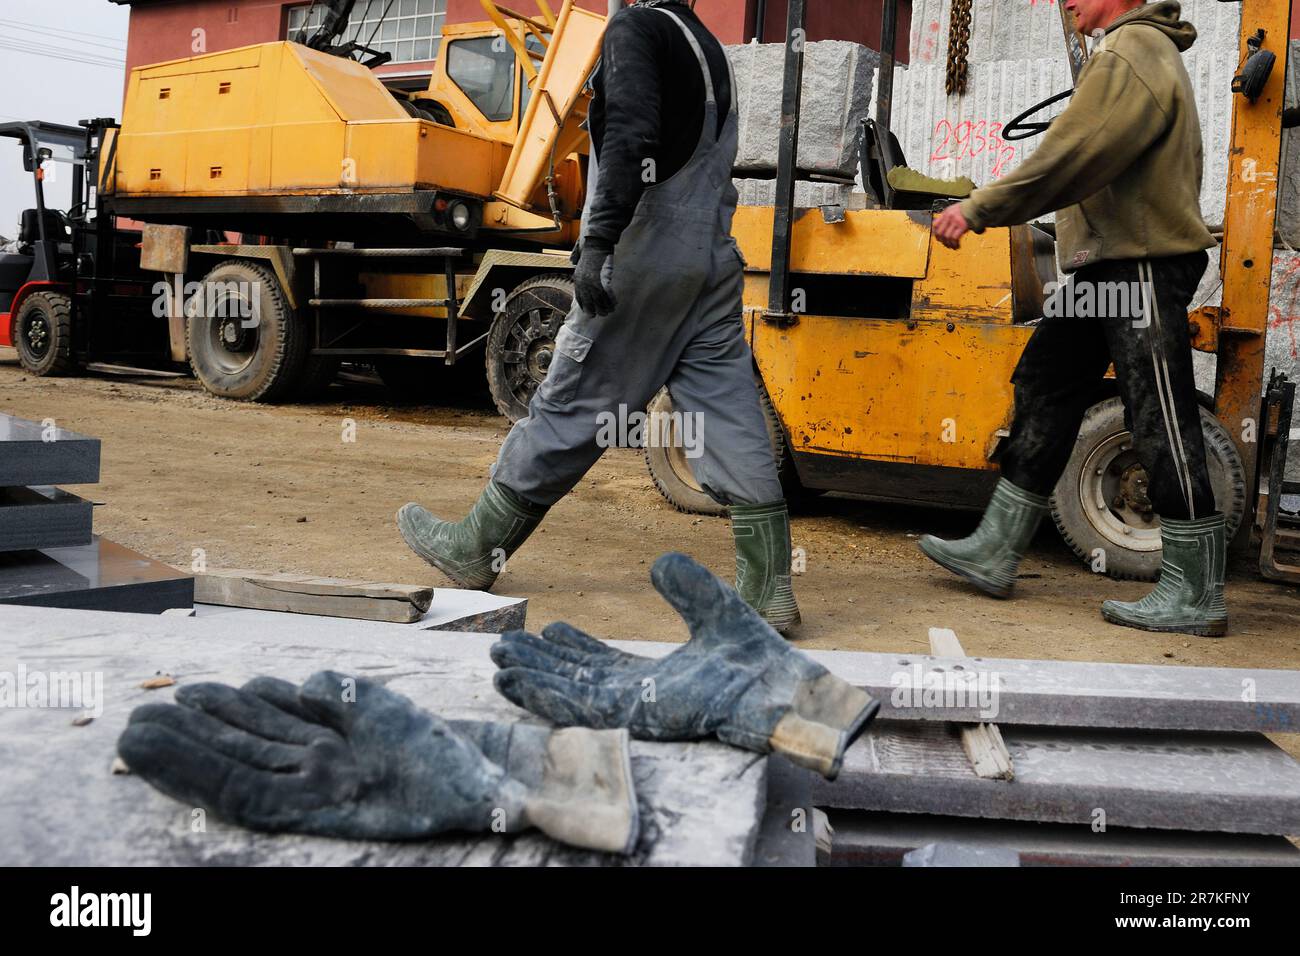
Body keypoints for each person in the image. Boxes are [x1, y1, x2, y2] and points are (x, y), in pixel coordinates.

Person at [396, 0, 800, 631]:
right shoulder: (707, 45)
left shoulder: (636, 29)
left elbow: (631, 134)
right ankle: (770, 587)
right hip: (712, 259)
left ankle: (478, 547)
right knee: (728, 406)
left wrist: (603, 239)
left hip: (646, 255)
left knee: (573, 399)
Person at [922, 0, 1226, 636]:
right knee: (1045, 382)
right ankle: (997, 547)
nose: (1064, 2)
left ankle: (1195, 591)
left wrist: (980, 207)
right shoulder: (1124, 51)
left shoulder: (1133, 50)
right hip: (1106, 265)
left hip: (1141, 264)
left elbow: (1072, 153)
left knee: (1158, 411)